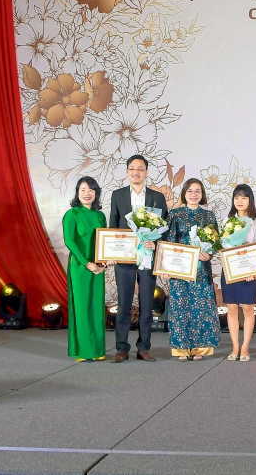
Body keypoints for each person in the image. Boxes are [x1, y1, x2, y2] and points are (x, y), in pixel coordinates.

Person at [108, 155, 169, 363]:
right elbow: (113, 225)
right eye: (132, 168)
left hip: (147, 256)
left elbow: (164, 227)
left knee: (146, 302)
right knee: (124, 303)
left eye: (140, 169)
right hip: (124, 256)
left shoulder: (157, 197)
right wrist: (111, 253)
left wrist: (156, 244)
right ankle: (121, 348)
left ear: (146, 172)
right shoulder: (117, 195)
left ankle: (143, 347)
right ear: (127, 172)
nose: (136, 172)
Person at [162, 178, 222, 360]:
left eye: (197, 191)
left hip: (202, 269)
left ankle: (199, 349)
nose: (193, 194)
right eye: (190, 191)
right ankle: (181, 349)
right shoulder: (175, 214)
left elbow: (215, 242)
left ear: (202, 195)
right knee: (180, 307)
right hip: (180, 268)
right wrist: (165, 266)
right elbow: (168, 241)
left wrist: (209, 255)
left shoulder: (209, 216)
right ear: (184, 193)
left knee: (202, 308)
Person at [62, 176, 107, 362]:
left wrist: (102, 264)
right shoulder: (72, 214)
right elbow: (69, 241)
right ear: (77, 193)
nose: (87, 193)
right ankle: (83, 351)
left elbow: (104, 241)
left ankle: (97, 350)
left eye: (90, 190)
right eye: (83, 190)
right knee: (81, 308)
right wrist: (86, 263)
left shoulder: (100, 216)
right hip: (80, 267)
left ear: (96, 193)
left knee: (96, 307)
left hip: (98, 268)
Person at [220, 184, 256, 362]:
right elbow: (223, 245)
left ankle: (245, 347)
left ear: (250, 200)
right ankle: (235, 347)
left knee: (247, 308)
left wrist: (253, 270)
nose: (240, 201)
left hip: (249, 270)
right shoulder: (227, 220)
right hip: (230, 269)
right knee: (231, 308)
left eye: (244, 197)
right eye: (236, 197)